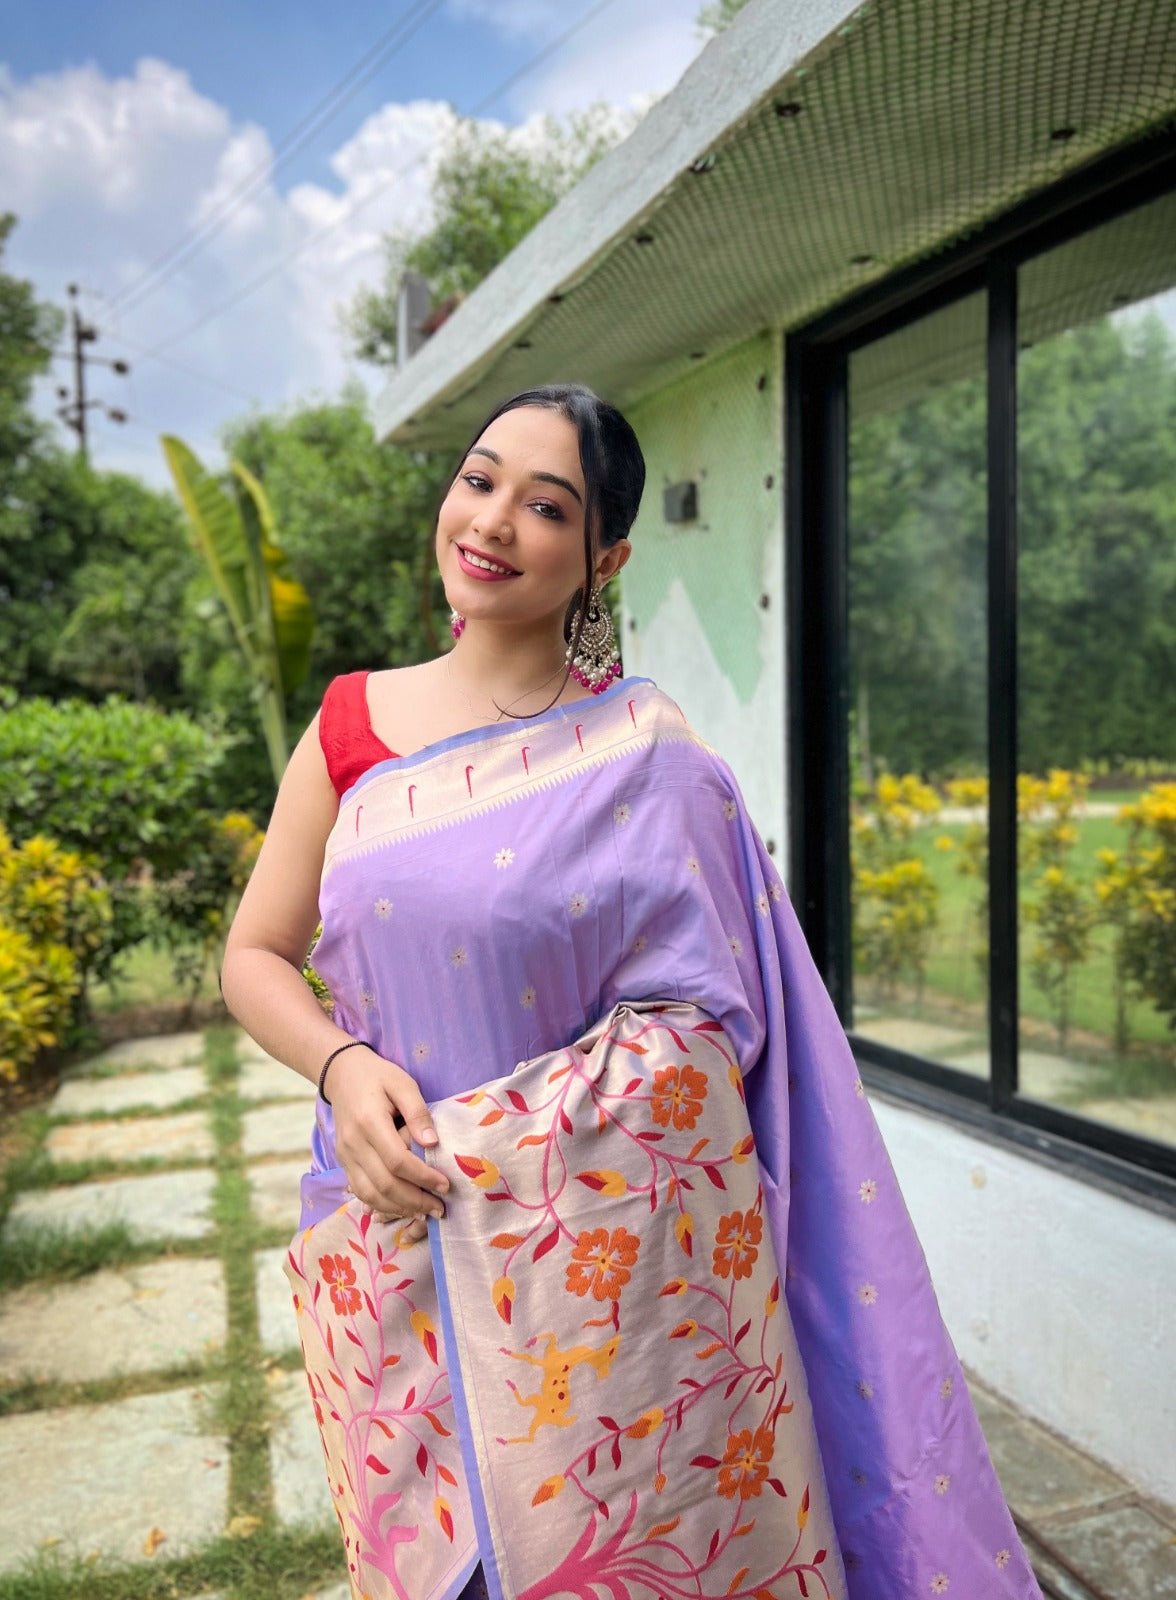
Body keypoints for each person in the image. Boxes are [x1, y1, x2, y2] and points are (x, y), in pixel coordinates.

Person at [220, 384, 1040, 1600]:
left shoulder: (647, 756)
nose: (492, 521)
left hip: (604, 1287)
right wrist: (340, 1068)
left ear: (605, 557)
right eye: (480, 479)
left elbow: (709, 1031)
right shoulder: (350, 724)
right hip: (389, 1236)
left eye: (547, 506)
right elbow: (253, 954)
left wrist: (501, 1144)